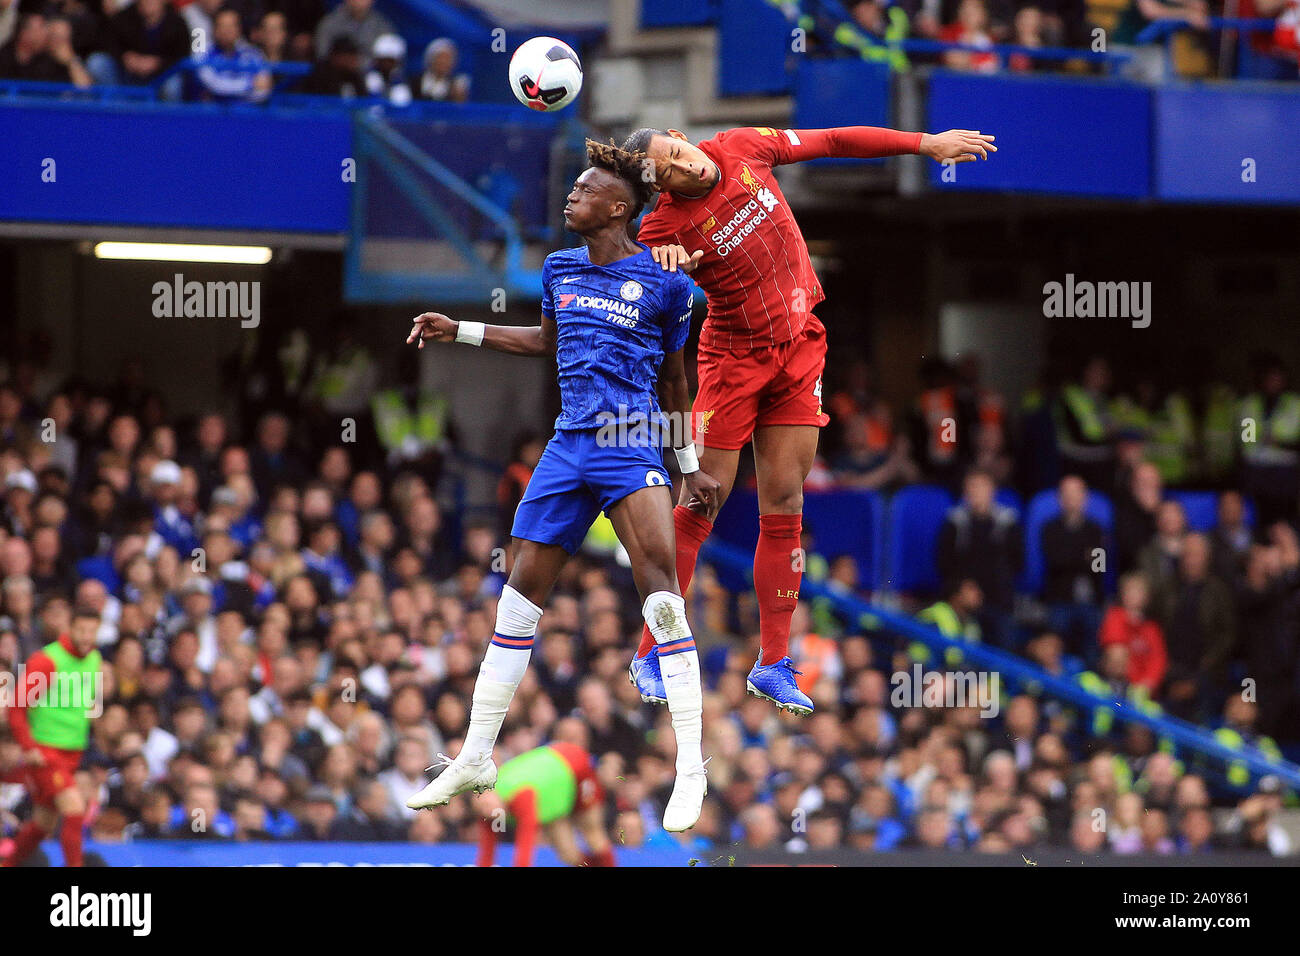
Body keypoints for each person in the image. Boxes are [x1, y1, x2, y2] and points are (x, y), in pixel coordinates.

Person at [621, 121, 996, 716]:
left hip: (799, 347)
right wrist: (659, 268)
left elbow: (836, 141)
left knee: (786, 505)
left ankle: (772, 663)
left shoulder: (742, 146)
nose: (681, 167)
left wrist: (924, 144)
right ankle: (650, 653)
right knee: (701, 502)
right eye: (664, 172)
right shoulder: (662, 225)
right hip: (732, 361)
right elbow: (638, 284)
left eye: (675, 152)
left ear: (679, 134)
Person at [401, 139, 721, 832]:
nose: (569, 198)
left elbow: (675, 382)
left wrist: (689, 464)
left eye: (581, 191)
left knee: (662, 599)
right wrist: (460, 329)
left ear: (617, 207)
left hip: (630, 442)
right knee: (517, 602)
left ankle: (691, 767)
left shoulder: (667, 288)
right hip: (568, 444)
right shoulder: (558, 268)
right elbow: (547, 342)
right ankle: (475, 756)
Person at [2, 607, 102, 867]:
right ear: (69, 627)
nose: (86, 637)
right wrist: (28, 746)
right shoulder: (46, 661)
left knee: (44, 822)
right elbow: (17, 706)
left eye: (92, 631)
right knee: (75, 809)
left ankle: (8, 864)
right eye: (81, 630)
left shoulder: (94, 659)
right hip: (46, 751)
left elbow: (85, 700)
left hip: (73, 750)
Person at [472, 741, 613, 867]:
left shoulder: (521, 796)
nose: (487, 810)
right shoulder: (492, 812)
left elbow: (525, 847)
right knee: (567, 854)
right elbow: (487, 853)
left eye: (486, 804)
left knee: (592, 833)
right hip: (552, 789)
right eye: (481, 808)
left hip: (574, 764)